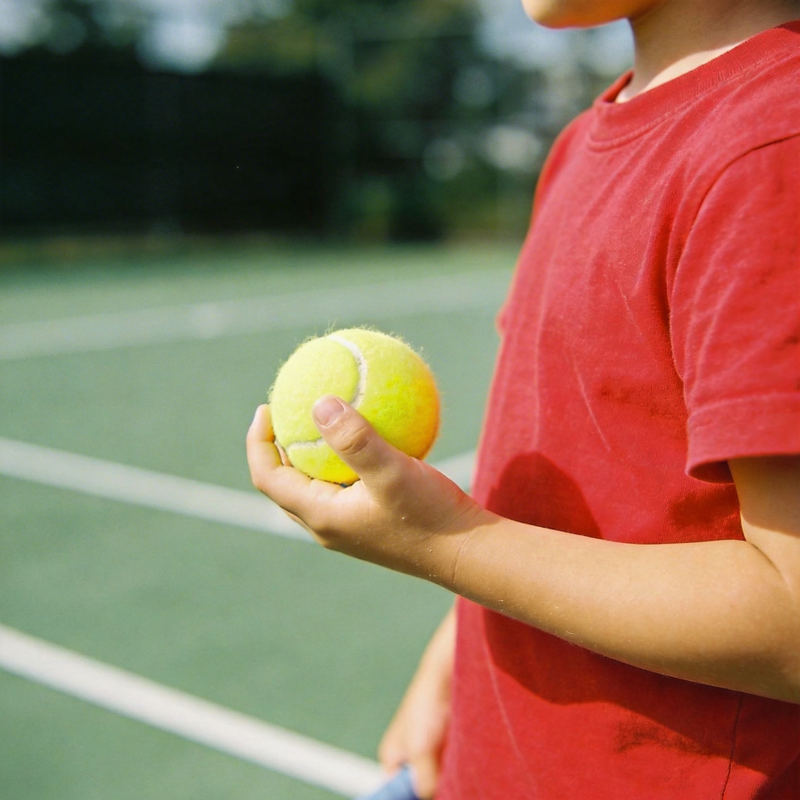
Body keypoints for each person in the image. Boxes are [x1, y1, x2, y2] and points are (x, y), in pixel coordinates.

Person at [247, 0, 800, 797]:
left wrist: (443, 543)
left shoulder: (771, 148)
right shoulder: (584, 140)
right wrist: (451, 667)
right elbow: (560, 501)